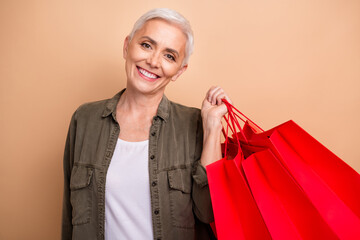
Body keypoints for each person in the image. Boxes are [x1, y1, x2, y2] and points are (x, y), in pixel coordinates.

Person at [62, 8, 231, 240]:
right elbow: (69, 218)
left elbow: (209, 211)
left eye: (169, 56)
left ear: (179, 71)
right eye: (146, 45)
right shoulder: (85, 120)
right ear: (126, 46)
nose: (153, 61)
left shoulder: (194, 124)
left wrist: (212, 129)